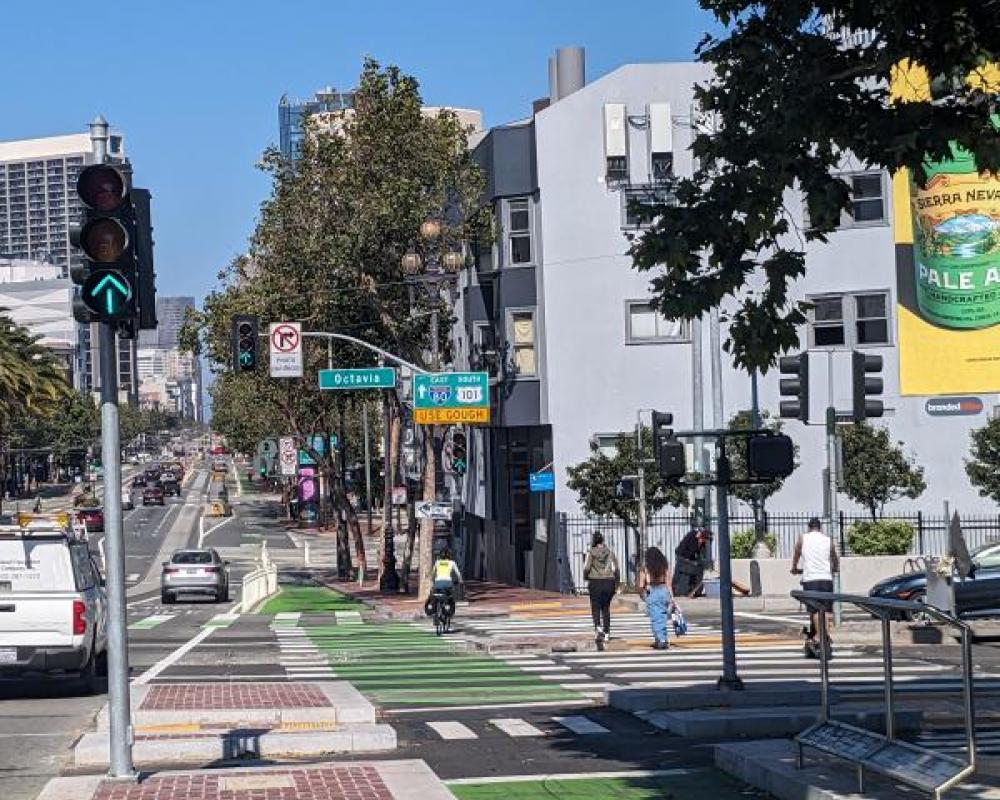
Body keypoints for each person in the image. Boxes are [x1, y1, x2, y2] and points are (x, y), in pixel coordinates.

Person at [791, 517, 839, 658]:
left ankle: (819, 636)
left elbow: (797, 553)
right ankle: (825, 635)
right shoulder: (828, 540)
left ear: (809, 527)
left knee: (815, 610)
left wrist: (794, 568)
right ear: (820, 527)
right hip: (826, 578)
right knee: (827, 610)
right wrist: (835, 568)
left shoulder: (803, 538)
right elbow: (834, 557)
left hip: (811, 578)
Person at [583, 531, 620, 644]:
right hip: (609, 581)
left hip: (595, 581)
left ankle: (598, 628)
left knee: (595, 607)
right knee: (606, 608)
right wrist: (617, 583)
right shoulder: (610, 553)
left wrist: (586, 577)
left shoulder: (591, 553)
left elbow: (587, 567)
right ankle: (607, 633)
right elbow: (616, 569)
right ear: (603, 540)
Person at [638, 546, 672, 649]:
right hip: (664, 590)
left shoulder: (646, 568)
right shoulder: (664, 566)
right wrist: (671, 597)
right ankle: (662, 639)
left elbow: (641, 585)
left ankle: (660, 639)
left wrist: (643, 595)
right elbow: (669, 583)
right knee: (662, 617)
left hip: (652, 591)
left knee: (655, 617)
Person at [672, 527, 712, 597]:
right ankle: (679, 590)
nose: (703, 541)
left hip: (689, 558)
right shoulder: (692, 536)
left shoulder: (701, 541)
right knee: (690, 571)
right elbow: (690, 551)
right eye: (703, 539)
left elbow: (700, 553)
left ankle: (696, 591)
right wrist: (693, 561)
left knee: (699, 569)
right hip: (683, 557)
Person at [425, 547, 463, 618]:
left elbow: (432, 573)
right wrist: (460, 580)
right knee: (450, 596)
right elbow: (458, 574)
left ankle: (434, 611)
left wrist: (433, 581)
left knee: (435, 595)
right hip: (447, 583)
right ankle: (449, 610)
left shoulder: (437, 562)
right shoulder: (452, 563)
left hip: (438, 583)